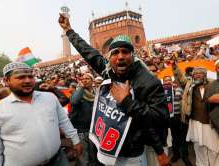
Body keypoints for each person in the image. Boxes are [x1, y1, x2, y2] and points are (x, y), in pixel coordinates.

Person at [58, 14, 170, 166]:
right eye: (115, 53)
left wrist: (127, 102)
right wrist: (69, 31)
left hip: (133, 153)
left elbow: (159, 119)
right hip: (109, 149)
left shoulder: (148, 82)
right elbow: (89, 53)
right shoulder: (109, 72)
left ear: (133, 55)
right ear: (109, 58)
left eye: (125, 52)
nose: (120, 57)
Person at [0, 62, 83, 166]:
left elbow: (64, 121)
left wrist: (76, 141)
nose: (27, 80)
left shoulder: (49, 98)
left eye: (30, 76)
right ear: (6, 80)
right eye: (21, 77)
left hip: (59, 160)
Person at [172, 60, 219, 166]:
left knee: (214, 148)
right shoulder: (189, 85)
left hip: (211, 122)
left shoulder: (214, 84)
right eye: (195, 74)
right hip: (195, 122)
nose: (197, 75)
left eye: (200, 73)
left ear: (204, 75)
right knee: (199, 148)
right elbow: (180, 78)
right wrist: (174, 67)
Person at [70, 73, 100, 166]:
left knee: (94, 155)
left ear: (92, 81)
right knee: (84, 157)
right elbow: (74, 101)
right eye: (82, 79)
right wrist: (81, 88)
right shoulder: (78, 93)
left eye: (87, 78)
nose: (84, 80)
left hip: (93, 129)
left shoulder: (96, 93)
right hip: (81, 130)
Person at [162, 76, 191, 166]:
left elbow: (185, 99)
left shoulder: (179, 89)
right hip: (171, 117)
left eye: (169, 80)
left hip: (180, 116)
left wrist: (174, 89)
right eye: (166, 81)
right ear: (163, 82)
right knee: (175, 138)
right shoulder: (162, 91)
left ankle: (185, 156)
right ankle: (176, 154)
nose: (168, 82)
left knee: (183, 137)